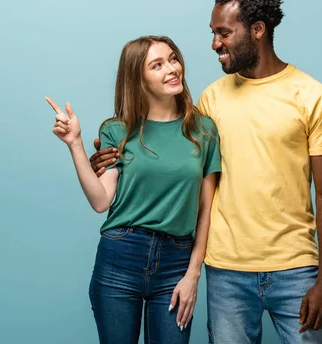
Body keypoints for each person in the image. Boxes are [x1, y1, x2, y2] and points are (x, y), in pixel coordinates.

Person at [90, 0, 322, 344]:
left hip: (295, 266)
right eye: (213, 33)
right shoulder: (209, 101)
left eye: (223, 33)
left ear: (257, 30)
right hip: (226, 270)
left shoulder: (313, 96)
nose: (214, 44)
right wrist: (111, 155)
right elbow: (167, 148)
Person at [46, 35, 221, 344]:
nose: (171, 69)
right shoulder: (117, 130)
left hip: (176, 261)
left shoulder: (203, 130)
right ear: (138, 79)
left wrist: (193, 274)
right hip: (120, 256)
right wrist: (74, 144)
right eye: (157, 65)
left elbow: (207, 209)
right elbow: (101, 201)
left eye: (173, 59)